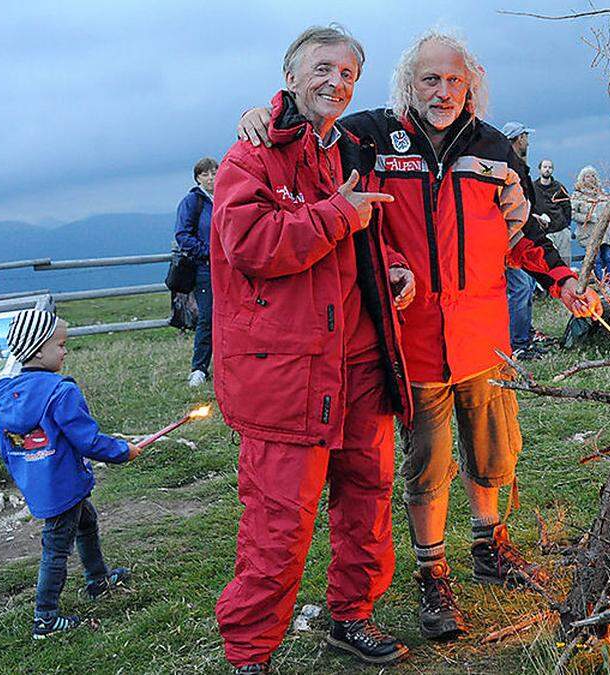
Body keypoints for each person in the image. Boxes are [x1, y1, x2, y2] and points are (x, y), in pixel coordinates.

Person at [237, 28, 603, 643]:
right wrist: (260, 115)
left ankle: (490, 545)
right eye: (430, 79)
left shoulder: (494, 152)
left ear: (471, 85)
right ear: (408, 82)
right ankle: (433, 571)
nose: (442, 91)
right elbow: (309, 136)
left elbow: (521, 235)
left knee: (494, 453)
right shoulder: (369, 137)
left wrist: (561, 279)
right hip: (413, 338)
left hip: (484, 334)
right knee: (427, 462)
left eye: (454, 80)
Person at [210, 25, 415, 673]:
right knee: (279, 522)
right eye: (324, 68)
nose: (338, 81)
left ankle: (351, 616)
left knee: (366, 497)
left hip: (356, 363)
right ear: (292, 76)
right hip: (285, 375)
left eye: (350, 72)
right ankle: (249, 653)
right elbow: (252, 246)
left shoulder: (350, 152)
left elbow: (360, 236)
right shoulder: (250, 159)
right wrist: (336, 217)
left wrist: (392, 267)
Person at [0, 309, 141, 640]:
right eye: (61, 345)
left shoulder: (7, 396)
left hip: (40, 482)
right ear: (39, 350)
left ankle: (97, 580)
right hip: (64, 484)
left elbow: (7, 448)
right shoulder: (61, 391)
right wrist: (123, 452)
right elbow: (87, 440)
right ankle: (45, 618)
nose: (65, 351)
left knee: (86, 523)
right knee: (56, 548)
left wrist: (26, 474)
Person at [500, 121, 542, 360]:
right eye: (525, 135)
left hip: (522, 234)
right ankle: (517, 343)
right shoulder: (509, 166)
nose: (527, 140)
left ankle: (523, 338)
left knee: (526, 288)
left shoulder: (520, 166)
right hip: (510, 240)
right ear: (518, 138)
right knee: (520, 288)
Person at [174, 157, 218, 387]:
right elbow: (182, 235)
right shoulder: (193, 201)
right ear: (197, 178)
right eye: (205, 175)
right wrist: (208, 253)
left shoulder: (225, 197)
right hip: (205, 268)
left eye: (213, 173)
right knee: (207, 318)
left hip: (228, 268)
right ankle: (199, 368)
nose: (211, 178)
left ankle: (224, 364)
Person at [571, 166, 610, 283]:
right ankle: (600, 283)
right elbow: (572, 214)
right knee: (595, 258)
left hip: (606, 232)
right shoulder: (578, 196)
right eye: (587, 176)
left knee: (608, 256)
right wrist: (588, 218)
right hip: (589, 232)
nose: (591, 179)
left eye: (593, 176)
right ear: (582, 179)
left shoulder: (603, 194)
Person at [534, 158, 572, 266]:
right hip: (544, 232)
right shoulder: (533, 187)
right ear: (539, 169)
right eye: (545, 167)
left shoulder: (559, 187)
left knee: (565, 261)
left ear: (553, 170)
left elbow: (567, 206)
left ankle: (566, 282)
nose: (547, 170)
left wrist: (567, 225)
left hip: (561, 230)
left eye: (550, 167)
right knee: (547, 262)